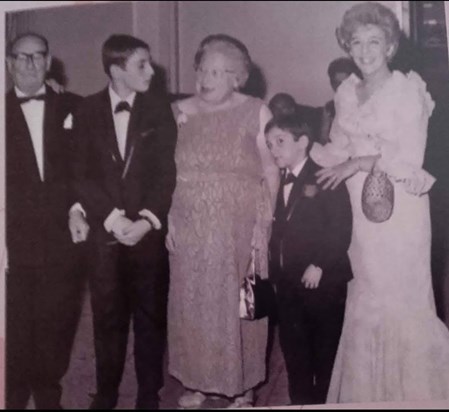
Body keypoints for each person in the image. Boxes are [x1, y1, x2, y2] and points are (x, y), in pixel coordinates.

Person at [311, 2, 449, 403]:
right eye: (357, 42)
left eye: (375, 41)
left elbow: (410, 159)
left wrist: (359, 160)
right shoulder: (345, 91)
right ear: (347, 46)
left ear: (390, 46)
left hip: (400, 207)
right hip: (359, 210)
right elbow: (336, 148)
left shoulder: (409, 90)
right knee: (366, 295)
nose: (365, 50)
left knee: (401, 300)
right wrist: (301, 155)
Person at [166, 33, 279, 409]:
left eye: (218, 71)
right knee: (193, 303)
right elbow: (167, 173)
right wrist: (169, 219)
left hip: (239, 227)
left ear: (238, 77)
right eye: (202, 69)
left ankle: (242, 387)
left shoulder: (256, 110)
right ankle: (199, 381)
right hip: (190, 223)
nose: (206, 77)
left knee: (239, 305)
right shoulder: (179, 112)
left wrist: (265, 224)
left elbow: (271, 169)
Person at [72, 34, 177, 409]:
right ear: (117, 70)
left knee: (151, 322)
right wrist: (113, 219)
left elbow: (166, 173)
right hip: (105, 237)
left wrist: (148, 220)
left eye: (149, 63)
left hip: (147, 236)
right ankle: (106, 394)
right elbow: (81, 174)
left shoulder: (159, 110)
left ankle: (149, 396)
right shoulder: (85, 110)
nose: (152, 70)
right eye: (141, 65)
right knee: (106, 322)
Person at [5, 32, 87, 409]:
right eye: (21, 57)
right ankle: (14, 396)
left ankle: (49, 395)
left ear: (49, 62)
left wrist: (77, 209)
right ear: (9, 63)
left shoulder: (75, 106)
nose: (30, 64)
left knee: (58, 320)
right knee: (17, 323)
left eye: (37, 57)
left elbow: (88, 170)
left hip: (62, 235)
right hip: (12, 239)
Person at [266, 115, 352, 405]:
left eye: (280, 142)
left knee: (324, 353)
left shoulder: (325, 176)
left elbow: (340, 228)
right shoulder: (276, 180)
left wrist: (320, 264)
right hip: (289, 284)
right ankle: (299, 402)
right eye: (269, 144)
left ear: (302, 142)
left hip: (324, 283)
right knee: (294, 353)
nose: (273, 149)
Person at [317, 57, 360, 144]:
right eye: (337, 83)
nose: (341, 88)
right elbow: (323, 139)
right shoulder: (330, 107)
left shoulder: (366, 103)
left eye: (346, 83)